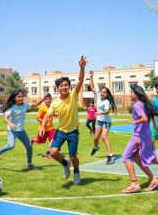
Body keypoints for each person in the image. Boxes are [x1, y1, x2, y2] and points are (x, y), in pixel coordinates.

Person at [40, 56, 87, 185]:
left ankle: (76, 171)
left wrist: (82, 67)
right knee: (53, 152)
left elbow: (81, 80)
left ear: (69, 87)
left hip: (73, 131)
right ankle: (65, 164)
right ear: (57, 88)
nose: (64, 87)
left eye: (66, 85)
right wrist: (43, 126)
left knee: (73, 156)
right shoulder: (55, 103)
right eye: (61, 85)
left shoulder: (73, 95)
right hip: (60, 131)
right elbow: (47, 116)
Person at [122, 85, 158, 193]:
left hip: (139, 137)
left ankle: (134, 183)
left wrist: (133, 122)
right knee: (140, 159)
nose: (130, 94)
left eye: (131, 92)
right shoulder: (143, 104)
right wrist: (154, 123)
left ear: (136, 94)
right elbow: (149, 117)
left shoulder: (137, 105)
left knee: (126, 157)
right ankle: (155, 177)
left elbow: (144, 118)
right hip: (145, 136)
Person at [0, 89, 48, 170]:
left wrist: (43, 99)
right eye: (18, 97)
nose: (20, 98)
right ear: (14, 98)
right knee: (11, 145)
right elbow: (5, 118)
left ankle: (29, 164)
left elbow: (35, 105)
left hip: (21, 131)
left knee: (29, 147)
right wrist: (10, 123)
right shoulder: (11, 108)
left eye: (22, 96)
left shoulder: (25, 105)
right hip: (12, 131)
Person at [89, 70, 117, 165]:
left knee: (104, 137)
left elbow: (107, 111)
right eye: (102, 92)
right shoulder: (98, 96)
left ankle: (110, 156)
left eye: (104, 93)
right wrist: (91, 76)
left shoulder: (106, 102)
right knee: (95, 138)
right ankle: (96, 147)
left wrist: (98, 113)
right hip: (99, 122)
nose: (102, 93)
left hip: (106, 122)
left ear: (107, 94)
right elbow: (92, 87)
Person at [30, 93, 56, 158]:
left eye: (49, 99)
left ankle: (48, 153)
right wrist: (44, 121)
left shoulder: (52, 107)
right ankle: (32, 139)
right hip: (42, 128)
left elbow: (53, 114)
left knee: (53, 139)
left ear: (51, 100)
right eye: (47, 99)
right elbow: (38, 118)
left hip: (51, 128)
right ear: (45, 100)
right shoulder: (42, 108)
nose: (48, 100)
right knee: (39, 141)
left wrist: (59, 115)